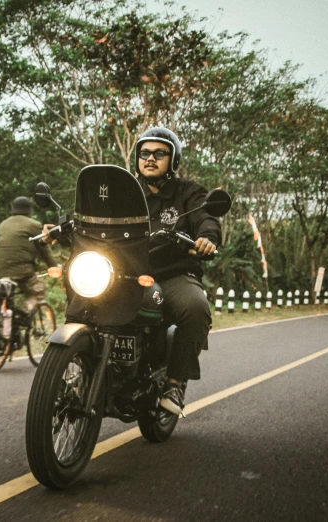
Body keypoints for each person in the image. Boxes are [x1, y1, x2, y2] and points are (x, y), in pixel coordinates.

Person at [135, 127, 221, 415]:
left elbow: (205, 216)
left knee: (195, 310)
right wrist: (61, 227)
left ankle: (174, 382)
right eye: (144, 153)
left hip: (172, 272)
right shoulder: (128, 190)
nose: (150, 159)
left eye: (159, 153)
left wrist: (207, 237)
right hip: (125, 273)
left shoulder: (188, 192)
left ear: (173, 160)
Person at [0, 196, 60, 317]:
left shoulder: (3, 224)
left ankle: (7, 323)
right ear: (29, 210)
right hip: (21, 272)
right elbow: (44, 249)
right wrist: (53, 266)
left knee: (8, 297)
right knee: (38, 289)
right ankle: (23, 315)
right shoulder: (33, 225)